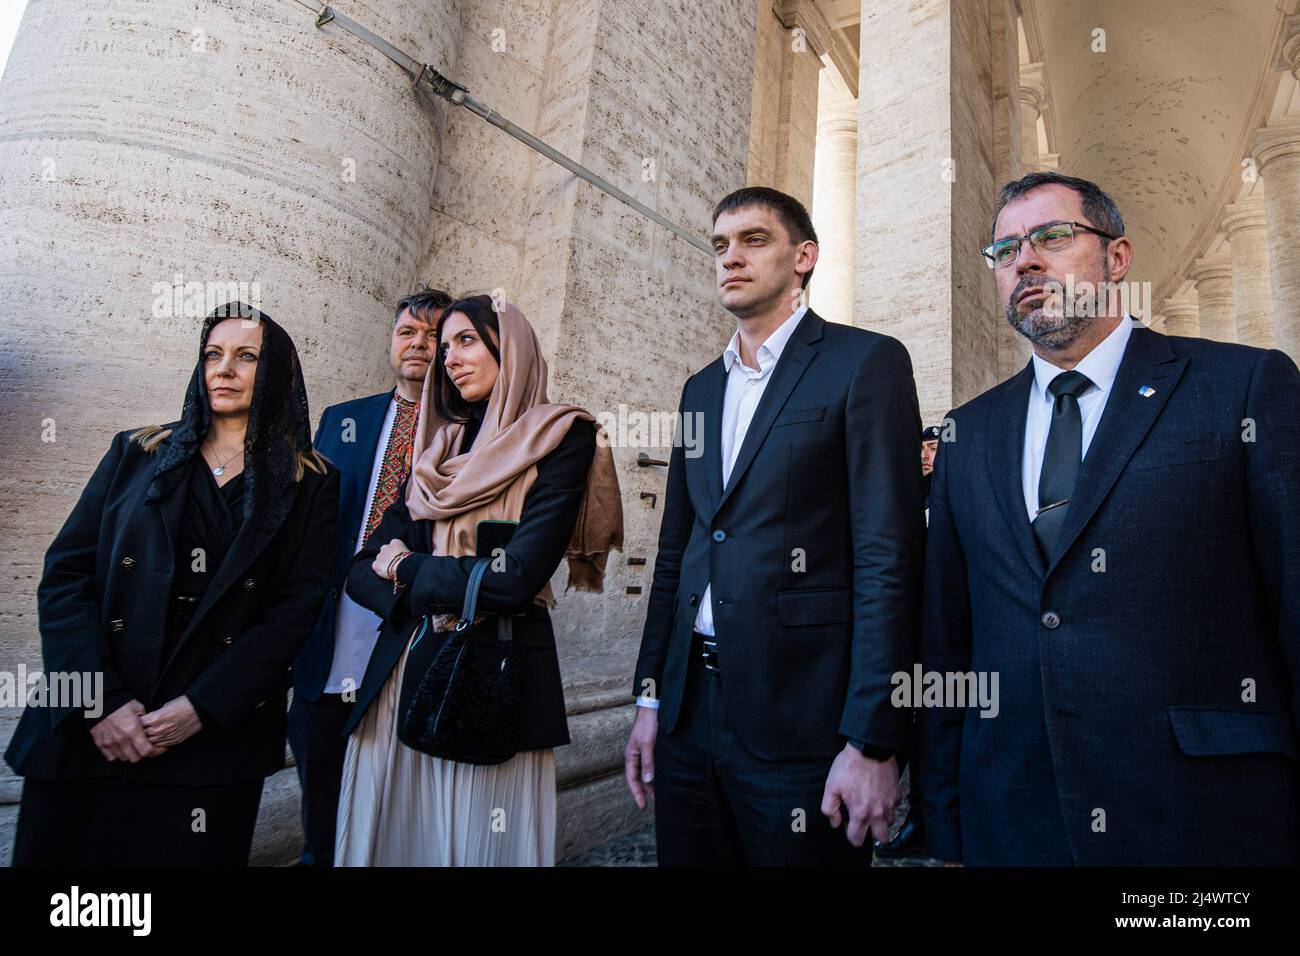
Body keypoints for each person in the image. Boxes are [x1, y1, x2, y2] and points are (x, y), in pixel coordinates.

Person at [916, 171, 1300, 866]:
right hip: (1015, 817)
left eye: (1052, 237)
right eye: (1004, 251)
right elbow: (947, 638)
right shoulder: (967, 433)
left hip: (1202, 819)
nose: (1024, 261)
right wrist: (946, 819)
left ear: (1116, 259)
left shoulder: (1241, 387)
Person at [624, 186, 926, 866]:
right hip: (685, 715)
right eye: (720, 246)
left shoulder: (865, 363)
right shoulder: (700, 389)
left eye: (754, 240)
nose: (731, 257)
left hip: (803, 719)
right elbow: (676, 552)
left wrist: (873, 740)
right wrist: (649, 697)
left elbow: (890, 556)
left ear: (804, 257)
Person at [6, 302, 339, 866]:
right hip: (93, 726)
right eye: (213, 355)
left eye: (246, 356)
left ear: (278, 371)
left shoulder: (311, 481)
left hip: (209, 740)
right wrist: (101, 702)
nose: (224, 369)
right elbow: (65, 576)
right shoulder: (137, 453)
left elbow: (294, 611)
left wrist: (201, 709)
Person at [334, 294, 623, 866]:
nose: (449, 359)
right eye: (445, 348)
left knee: (476, 844)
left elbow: (513, 579)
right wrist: (431, 584)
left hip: (491, 676)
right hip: (399, 678)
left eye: (465, 340)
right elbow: (358, 569)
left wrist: (407, 567)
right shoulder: (435, 452)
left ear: (508, 347)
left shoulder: (562, 437)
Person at [288, 286, 452, 867]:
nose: (419, 344)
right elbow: (300, 525)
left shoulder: (470, 433)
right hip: (331, 634)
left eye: (434, 335)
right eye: (407, 332)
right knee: (323, 805)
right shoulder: (343, 420)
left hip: (415, 633)